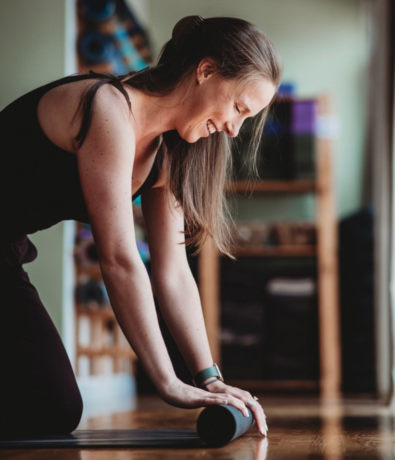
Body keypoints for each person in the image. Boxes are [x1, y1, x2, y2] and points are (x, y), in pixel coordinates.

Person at [0, 15, 281, 438]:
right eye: (238, 108)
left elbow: (172, 272)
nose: (233, 128)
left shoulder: (169, 153)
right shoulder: (108, 109)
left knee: (51, 407)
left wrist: (209, 377)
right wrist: (167, 383)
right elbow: (118, 258)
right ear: (205, 71)